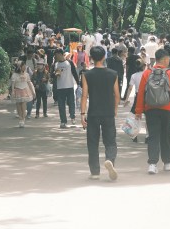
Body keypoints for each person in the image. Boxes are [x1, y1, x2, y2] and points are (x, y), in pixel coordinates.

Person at [135, 49, 170, 174]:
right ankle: (167, 163)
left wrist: (139, 110)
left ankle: (152, 164)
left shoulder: (147, 73)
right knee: (166, 136)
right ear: (166, 59)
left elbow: (141, 93)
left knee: (153, 136)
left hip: (151, 109)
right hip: (168, 109)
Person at [80, 46, 121, 181]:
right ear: (104, 57)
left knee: (92, 142)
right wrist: (115, 109)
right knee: (110, 141)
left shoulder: (86, 75)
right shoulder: (113, 74)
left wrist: (82, 114)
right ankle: (109, 160)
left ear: (91, 58)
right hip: (108, 112)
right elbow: (117, 95)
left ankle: (95, 172)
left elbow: (84, 96)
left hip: (93, 113)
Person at [52, 50, 79, 129]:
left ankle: (72, 117)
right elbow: (51, 75)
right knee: (61, 105)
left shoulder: (69, 63)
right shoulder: (55, 64)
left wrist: (78, 83)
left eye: (56, 55)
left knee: (71, 103)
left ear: (60, 54)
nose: (55, 57)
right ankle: (63, 121)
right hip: (60, 87)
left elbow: (74, 73)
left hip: (69, 86)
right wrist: (55, 73)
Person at [10, 61, 36, 128]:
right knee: (18, 105)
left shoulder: (26, 74)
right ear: (19, 67)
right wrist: (12, 91)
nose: (25, 67)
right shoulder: (14, 75)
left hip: (25, 90)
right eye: (23, 66)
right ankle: (20, 118)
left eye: (25, 66)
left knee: (23, 105)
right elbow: (13, 84)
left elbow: (29, 83)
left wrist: (33, 92)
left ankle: (23, 118)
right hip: (17, 90)